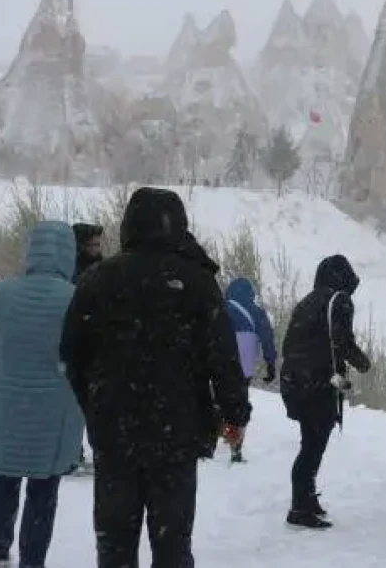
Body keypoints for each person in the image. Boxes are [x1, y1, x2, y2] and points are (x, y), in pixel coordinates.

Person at [60, 187, 250, 568]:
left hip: (115, 433)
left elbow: (72, 355)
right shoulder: (196, 282)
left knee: (115, 543)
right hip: (176, 434)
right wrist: (234, 413)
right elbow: (224, 359)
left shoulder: (99, 279)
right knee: (173, 543)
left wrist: (94, 404)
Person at [0, 221, 85, 568]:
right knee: (44, 487)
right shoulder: (76, 299)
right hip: (56, 410)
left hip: (8, 404)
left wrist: (4, 382)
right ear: (69, 253)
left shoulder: (2, 295)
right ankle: (33, 559)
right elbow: (84, 358)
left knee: (4, 479)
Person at [279, 254, 371, 529]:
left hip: (297, 382)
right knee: (312, 448)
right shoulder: (339, 300)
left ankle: (305, 500)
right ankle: (300, 507)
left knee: (309, 444)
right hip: (318, 384)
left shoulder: (308, 301)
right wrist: (361, 362)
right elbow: (342, 341)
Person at [223, 276, 278, 462]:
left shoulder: (220, 308)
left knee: (219, 397)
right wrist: (271, 363)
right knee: (239, 402)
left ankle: (213, 436)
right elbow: (267, 337)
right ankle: (235, 448)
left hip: (221, 360)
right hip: (244, 361)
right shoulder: (255, 311)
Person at [66, 222, 105, 476]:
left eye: (98, 244)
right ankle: (72, 450)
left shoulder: (103, 269)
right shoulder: (73, 271)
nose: (97, 249)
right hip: (77, 343)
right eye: (92, 244)